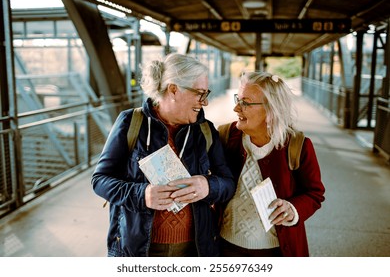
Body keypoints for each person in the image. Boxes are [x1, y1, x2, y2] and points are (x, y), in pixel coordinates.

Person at [91, 53, 235, 257]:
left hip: (194, 250)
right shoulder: (130, 123)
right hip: (139, 250)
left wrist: (208, 186)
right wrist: (141, 195)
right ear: (173, 90)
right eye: (200, 93)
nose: (205, 102)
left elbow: (228, 183)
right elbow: (100, 180)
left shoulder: (205, 131)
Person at [218, 71, 325, 257]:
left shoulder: (298, 146)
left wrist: (292, 209)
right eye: (238, 99)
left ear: (271, 110)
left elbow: (314, 194)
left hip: (277, 251)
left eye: (245, 102)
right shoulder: (226, 137)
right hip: (226, 248)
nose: (236, 108)